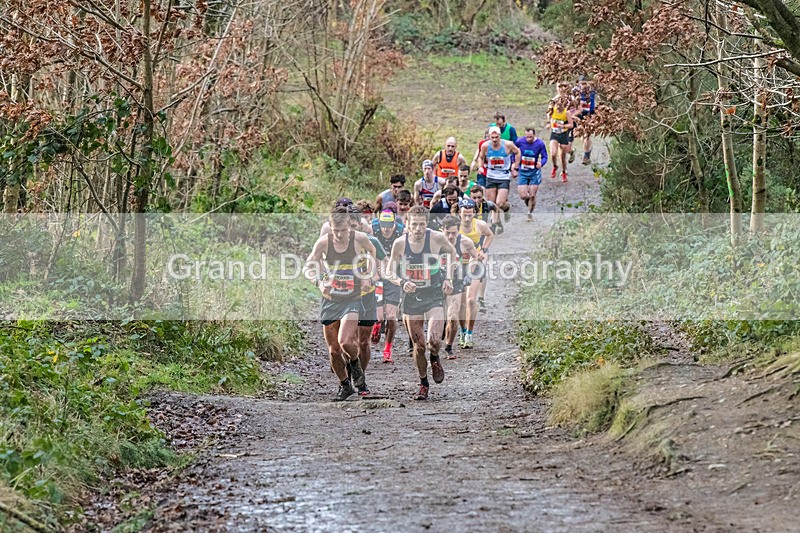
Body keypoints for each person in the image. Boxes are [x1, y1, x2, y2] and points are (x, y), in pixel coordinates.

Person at [304, 206, 376, 401]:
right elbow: (308, 266)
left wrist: (369, 274)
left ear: (349, 227)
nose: (339, 235)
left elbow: (372, 252)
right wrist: (319, 282)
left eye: (343, 231)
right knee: (334, 350)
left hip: (353, 297)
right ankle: (345, 385)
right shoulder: (323, 243)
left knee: (345, 341)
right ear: (330, 227)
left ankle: (355, 365)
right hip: (331, 299)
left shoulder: (359, 239)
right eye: (336, 231)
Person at [387, 205, 456, 400]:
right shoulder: (400, 244)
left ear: (427, 224)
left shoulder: (436, 239)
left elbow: (451, 254)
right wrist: (401, 282)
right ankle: (423, 383)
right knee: (419, 346)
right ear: (407, 225)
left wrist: (448, 278)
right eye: (414, 225)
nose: (418, 229)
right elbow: (389, 271)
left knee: (434, 341)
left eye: (422, 225)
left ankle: (435, 358)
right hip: (411, 298)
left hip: (433, 294)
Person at [440, 215, 479, 359]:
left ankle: (449, 346)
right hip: (437, 279)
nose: (451, 236)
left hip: (456, 279)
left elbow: (475, 256)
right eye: (448, 233)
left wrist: (470, 272)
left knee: (453, 316)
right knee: (440, 316)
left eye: (454, 233)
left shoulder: (465, 242)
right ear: (441, 230)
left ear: (458, 231)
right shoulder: (435, 242)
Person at [456, 198, 493, 346]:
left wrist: (484, 250)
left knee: (471, 300)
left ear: (474, 213)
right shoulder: (454, 226)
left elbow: (490, 235)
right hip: (458, 264)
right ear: (459, 212)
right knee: (460, 302)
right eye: (464, 214)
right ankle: (462, 329)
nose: (466, 218)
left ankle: (470, 334)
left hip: (475, 261)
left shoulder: (480, 225)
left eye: (469, 215)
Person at [370, 210, 404, 362]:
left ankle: (388, 348)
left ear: (394, 224)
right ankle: (376, 325)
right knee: (378, 316)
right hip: (378, 278)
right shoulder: (374, 232)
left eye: (389, 225)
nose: (386, 229)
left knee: (391, 317)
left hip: (394, 279)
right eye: (384, 225)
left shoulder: (401, 234)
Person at [477, 125, 520, 235]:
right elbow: (481, 157)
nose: (495, 140)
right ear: (489, 137)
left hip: (504, 176)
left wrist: (515, 166)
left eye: (497, 137)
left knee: (500, 203)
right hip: (491, 176)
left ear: (500, 136)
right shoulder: (485, 146)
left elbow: (518, 152)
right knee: (491, 204)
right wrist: (481, 167)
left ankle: (506, 208)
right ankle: (497, 223)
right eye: (493, 137)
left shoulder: (508, 145)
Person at [514, 127, 548, 221]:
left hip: (534, 172)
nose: (529, 139)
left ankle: (529, 213)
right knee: (523, 195)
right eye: (527, 137)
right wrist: (514, 163)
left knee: (532, 194)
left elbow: (545, 156)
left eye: (531, 137)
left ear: (534, 135)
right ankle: (530, 201)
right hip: (523, 171)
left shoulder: (540, 143)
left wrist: (541, 163)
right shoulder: (520, 141)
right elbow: (513, 152)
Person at [547, 85, 576, 183]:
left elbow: (571, 125)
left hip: (563, 134)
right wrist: (549, 123)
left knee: (563, 155)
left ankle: (564, 172)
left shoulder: (566, 113)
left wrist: (563, 126)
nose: (558, 107)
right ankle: (555, 167)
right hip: (554, 134)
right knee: (553, 153)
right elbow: (548, 115)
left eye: (560, 105)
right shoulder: (553, 109)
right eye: (556, 105)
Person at [576, 78, 596, 165]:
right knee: (583, 136)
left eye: (584, 83)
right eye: (581, 84)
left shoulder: (591, 91)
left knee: (586, 135)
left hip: (589, 114)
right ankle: (588, 150)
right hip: (579, 114)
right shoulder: (576, 92)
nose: (583, 86)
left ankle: (586, 155)